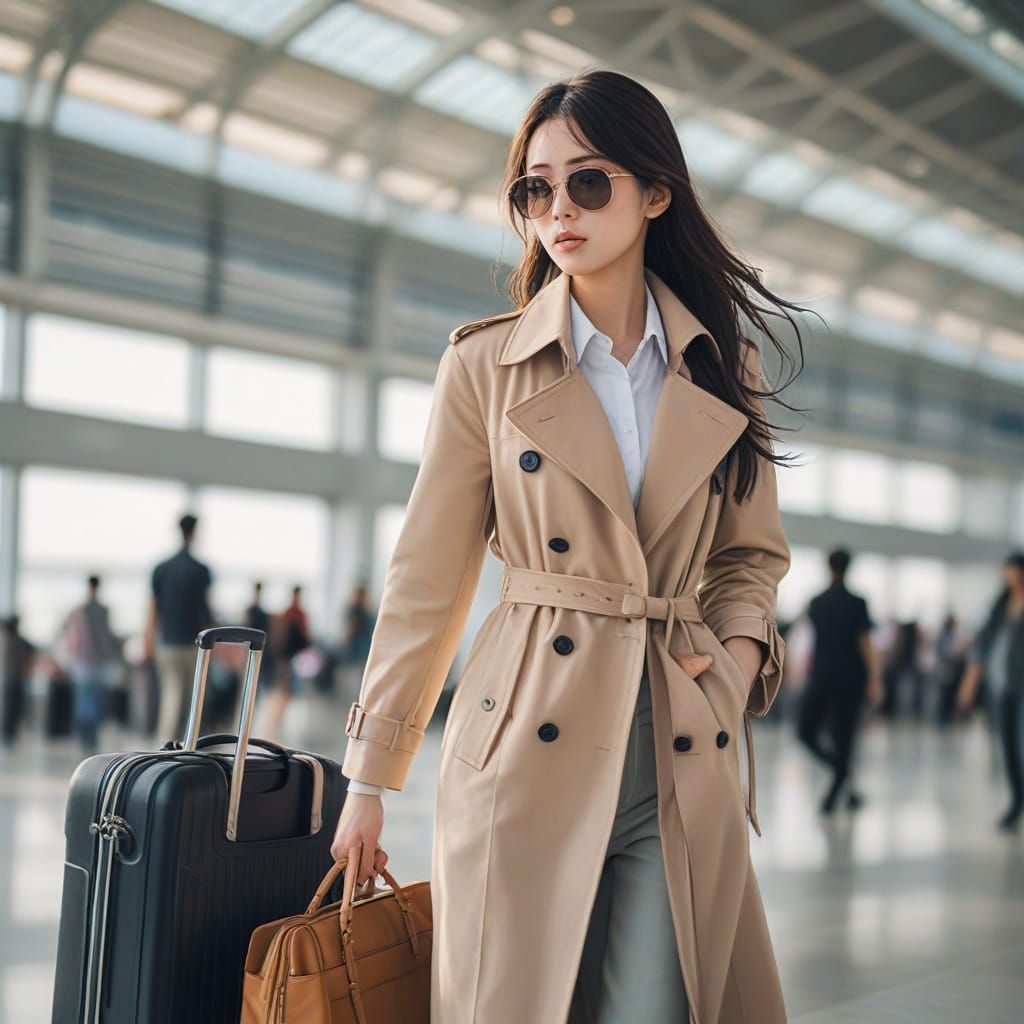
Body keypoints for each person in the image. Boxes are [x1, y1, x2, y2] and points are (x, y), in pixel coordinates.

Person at [331, 69, 807, 1024]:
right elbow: (428, 577)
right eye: (533, 189)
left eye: (588, 182)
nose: (559, 210)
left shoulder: (722, 362)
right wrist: (369, 778)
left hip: (679, 735)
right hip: (524, 734)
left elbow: (750, 555)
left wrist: (731, 661)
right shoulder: (484, 364)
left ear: (654, 192)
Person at [797, 548, 882, 815]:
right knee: (843, 738)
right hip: (851, 677)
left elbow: (812, 641)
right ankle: (842, 776)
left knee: (806, 731)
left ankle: (836, 795)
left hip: (822, 675)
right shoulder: (858, 602)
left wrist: (801, 668)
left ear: (828, 567)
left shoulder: (816, 602)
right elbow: (866, 644)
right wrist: (875, 679)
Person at [955, 551, 1024, 832]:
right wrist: (970, 682)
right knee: (1007, 747)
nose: (1011, 577)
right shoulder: (1000, 605)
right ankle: (1017, 801)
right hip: (1002, 685)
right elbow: (982, 647)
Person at [144, 513, 215, 744]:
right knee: (192, 699)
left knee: (171, 696)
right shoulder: (201, 570)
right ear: (194, 533)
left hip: (167, 642)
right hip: (194, 644)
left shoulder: (161, 568)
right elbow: (206, 612)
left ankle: (165, 745)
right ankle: (187, 746)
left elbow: (153, 608)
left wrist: (148, 638)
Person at [56, 575, 121, 754]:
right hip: (92, 659)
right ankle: (87, 736)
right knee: (89, 699)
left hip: (87, 659)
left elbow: (64, 630)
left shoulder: (81, 609)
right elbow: (108, 635)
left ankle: (88, 736)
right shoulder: (100, 610)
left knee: (88, 699)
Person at [261, 585, 309, 743]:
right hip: (289, 660)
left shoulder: (290, 614)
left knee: (283, 693)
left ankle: (273, 726)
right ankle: (273, 727)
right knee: (282, 693)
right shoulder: (295, 614)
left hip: (289, 659)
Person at [1, 614, 36, 748]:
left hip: (16, 679)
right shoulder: (10, 641)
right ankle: (8, 734)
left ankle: (11, 734)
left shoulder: (15, 640)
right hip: (11, 679)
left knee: (14, 708)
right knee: (11, 708)